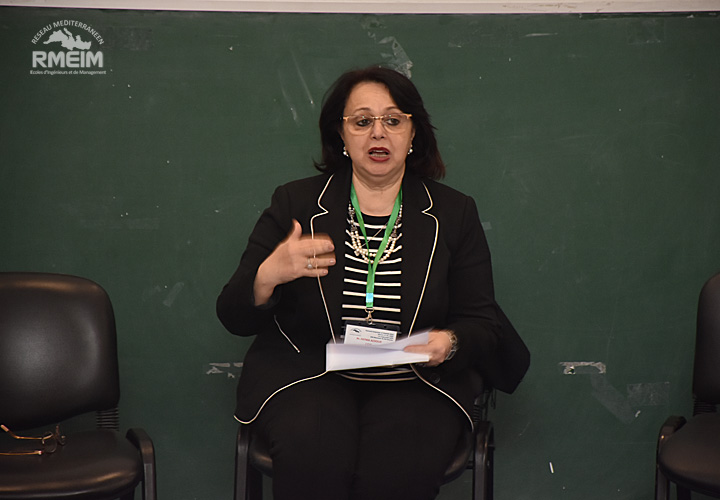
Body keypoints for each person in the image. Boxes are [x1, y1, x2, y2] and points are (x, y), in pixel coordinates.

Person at [216, 65, 530, 500]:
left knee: (398, 466)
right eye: (362, 121)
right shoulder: (296, 203)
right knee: (315, 452)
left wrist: (450, 342)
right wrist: (267, 276)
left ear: (413, 132)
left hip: (415, 381)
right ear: (341, 135)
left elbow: (482, 322)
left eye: (393, 120)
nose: (378, 133)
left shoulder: (454, 213)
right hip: (311, 375)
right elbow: (232, 316)